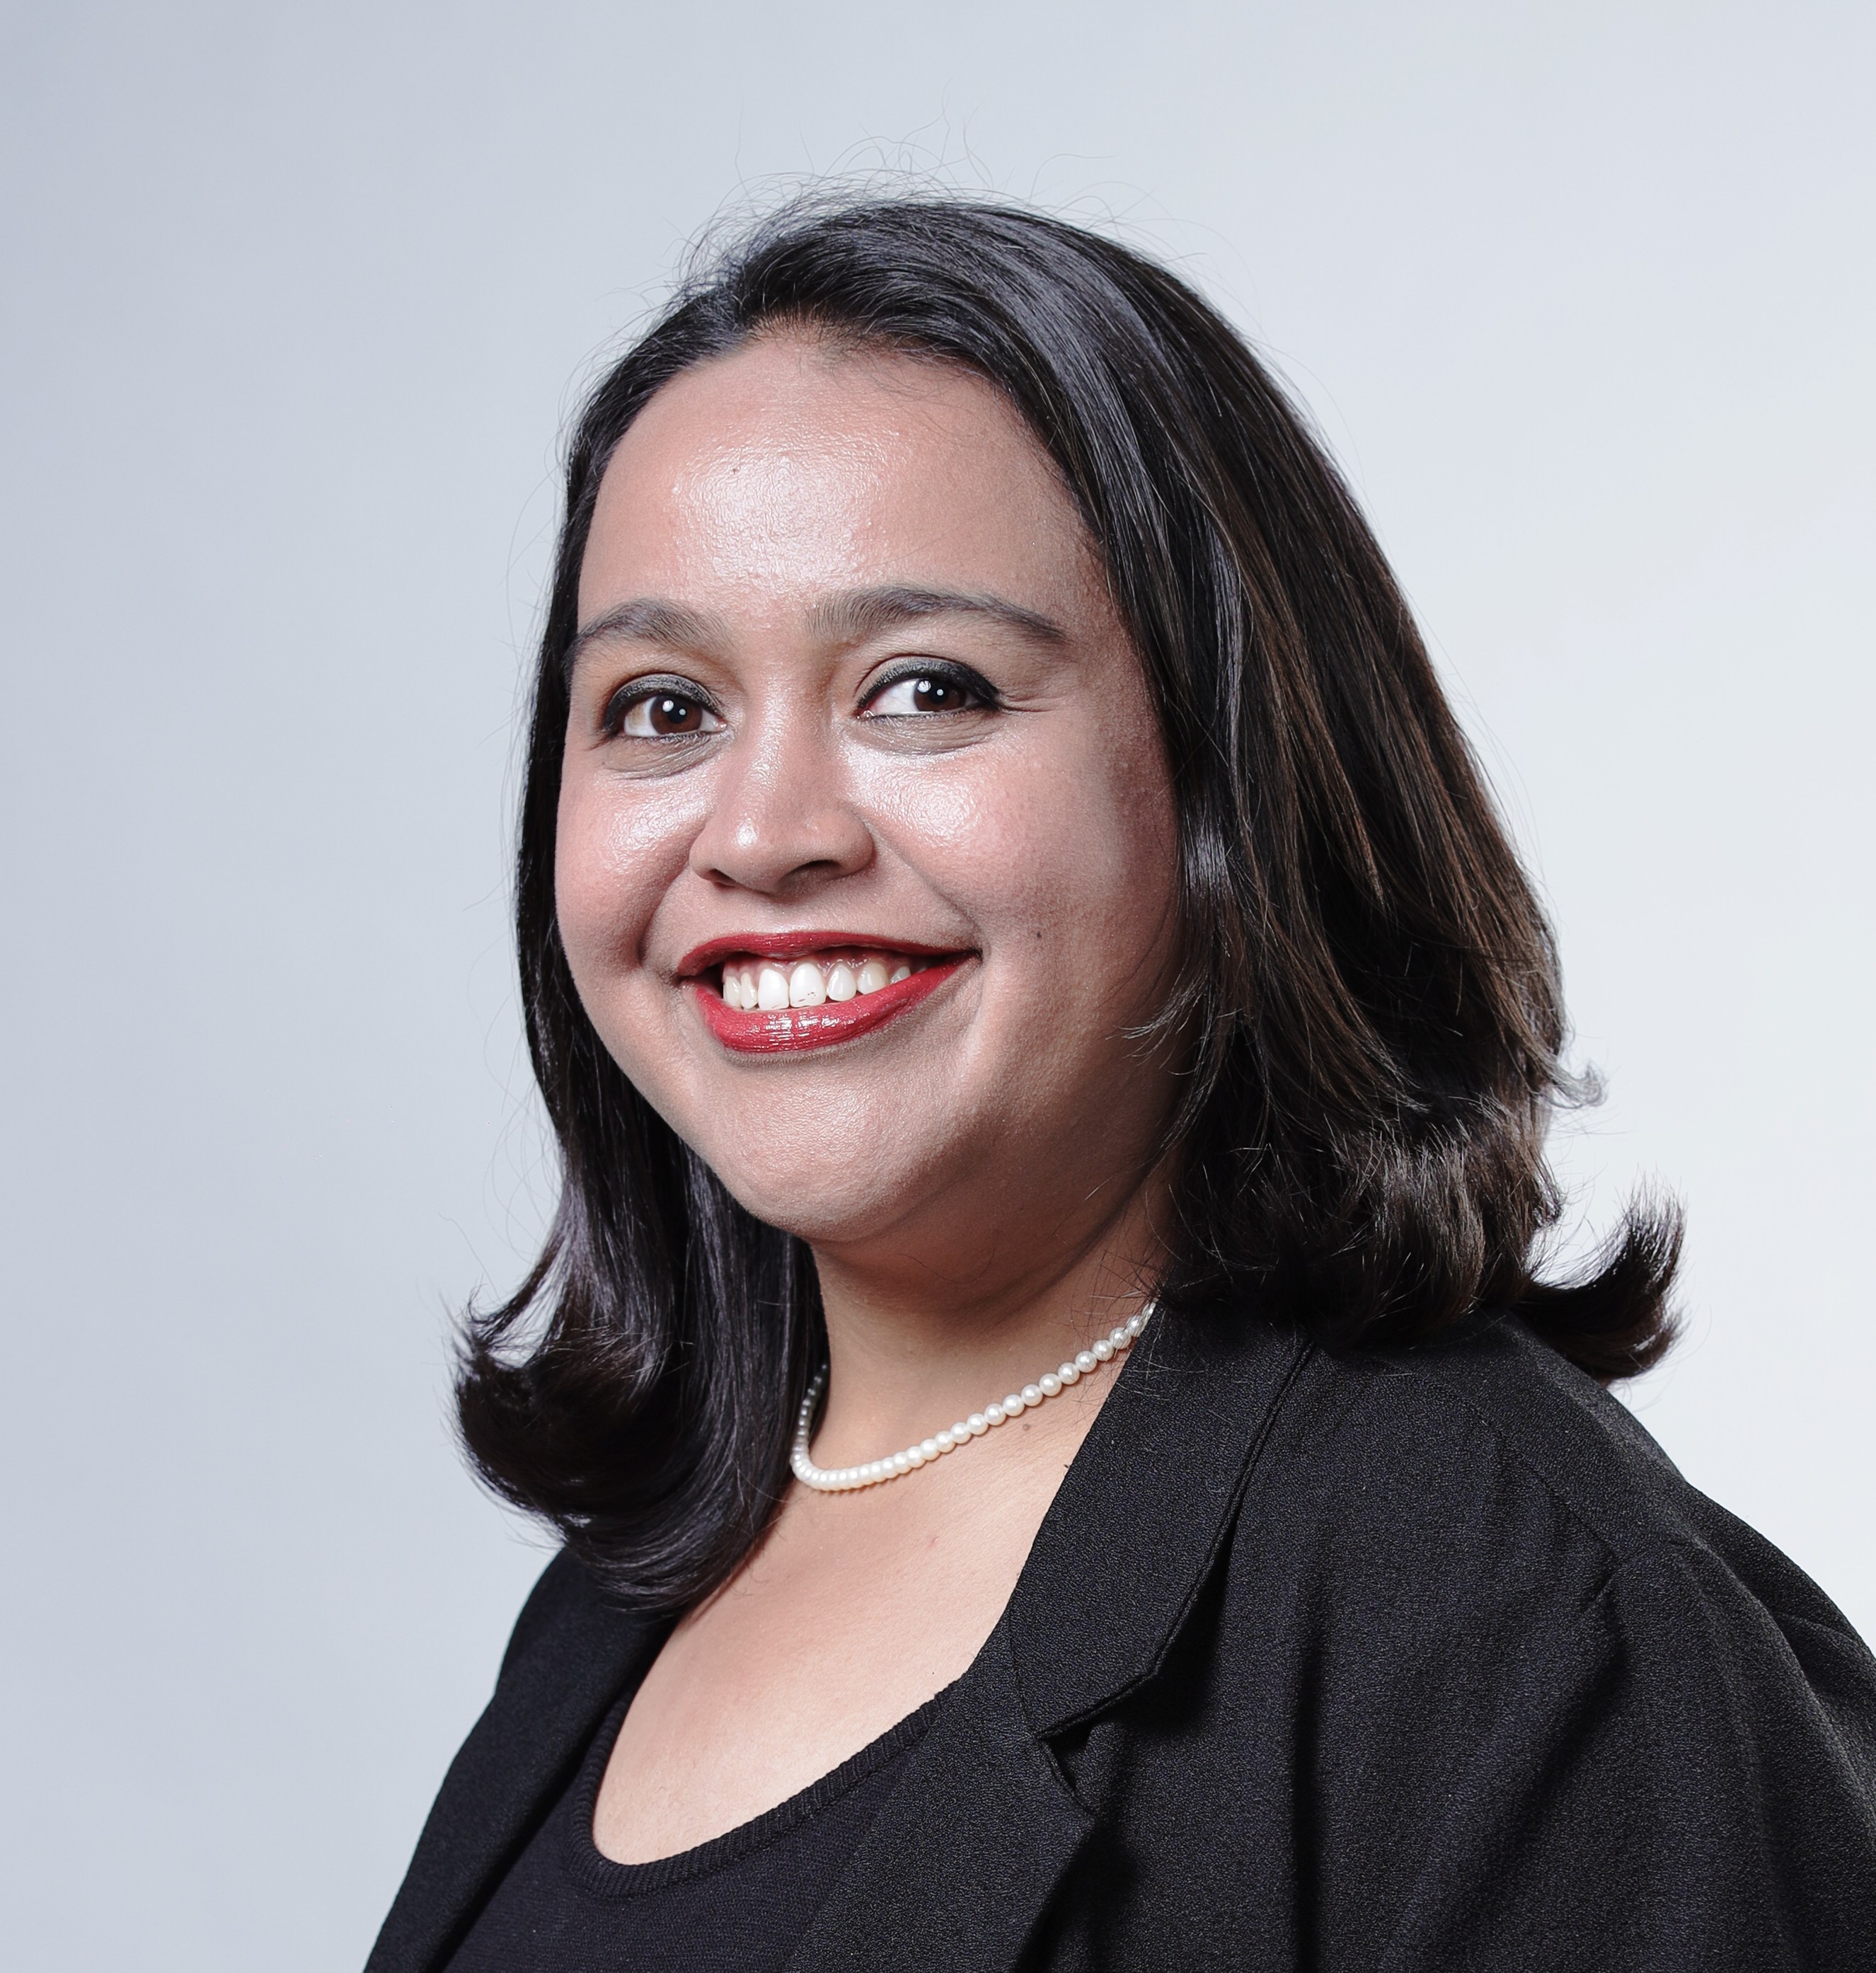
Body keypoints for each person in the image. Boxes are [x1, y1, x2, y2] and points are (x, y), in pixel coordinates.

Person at [367, 197, 1876, 1973]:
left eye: (925, 687)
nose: (761, 832)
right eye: (660, 706)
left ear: (1232, 778)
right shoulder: (619, 1600)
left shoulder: (1531, 1630)